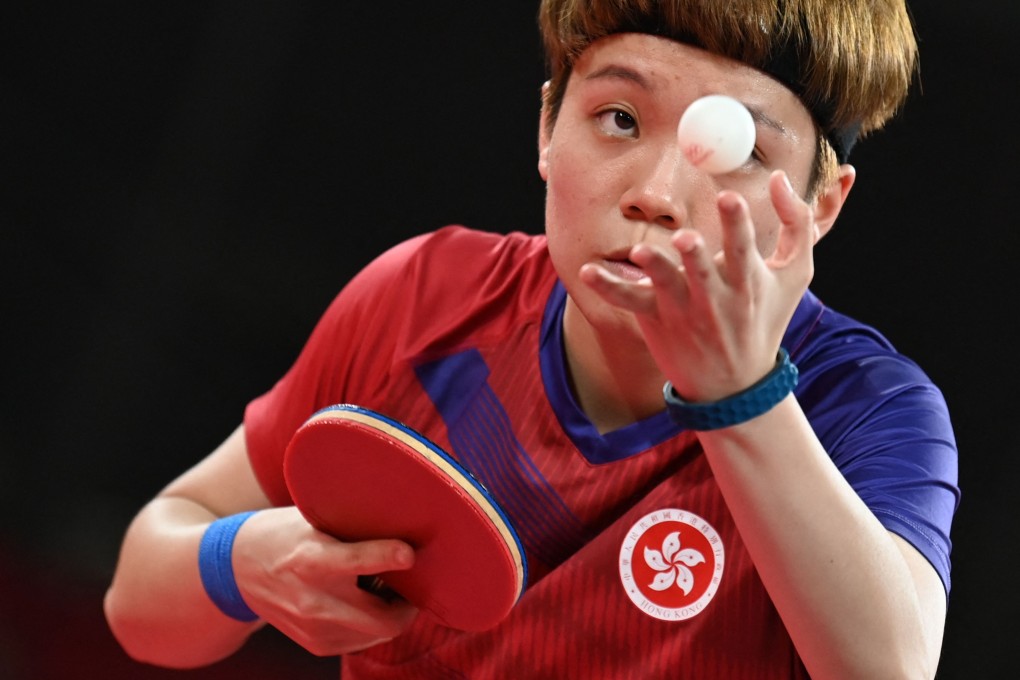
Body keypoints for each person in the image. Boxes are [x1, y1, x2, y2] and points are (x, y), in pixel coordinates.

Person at [104, 0, 960, 677]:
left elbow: (887, 667)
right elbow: (140, 606)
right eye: (620, 118)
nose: (659, 193)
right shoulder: (426, 302)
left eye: (734, 147)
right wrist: (242, 563)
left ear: (819, 206)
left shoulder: (867, 407)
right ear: (548, 127)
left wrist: (740, 395)